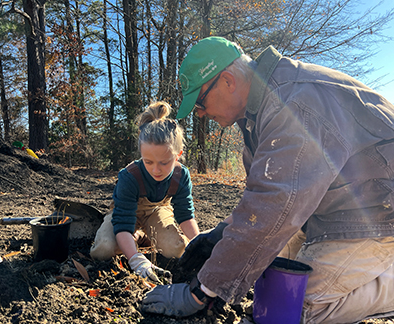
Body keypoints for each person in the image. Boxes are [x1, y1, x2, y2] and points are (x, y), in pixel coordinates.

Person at [141, 36, 394, 323]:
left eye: (200, 102)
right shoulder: (258, 111)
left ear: (227, 81)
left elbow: (273, 207)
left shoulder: (293, 104)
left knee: (291, 308)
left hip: (377, 214)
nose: (201, 114)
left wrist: (201, 292)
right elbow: (262, 196)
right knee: (262, 271)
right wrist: (220, 234)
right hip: (329, 209)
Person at [90, 101, 200, 282]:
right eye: (148, 162)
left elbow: (186, 216)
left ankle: (141, 236)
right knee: (103, 249)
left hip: (157, 211)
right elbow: (123, 220)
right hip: (125, 214)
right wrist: (135, 260)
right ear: (141, 153)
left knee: (177, 249)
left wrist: (198, 243)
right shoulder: (129, 176)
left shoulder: (181, 176)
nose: (156, 170)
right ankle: (136, 238)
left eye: (164, 163)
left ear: (178, 155)